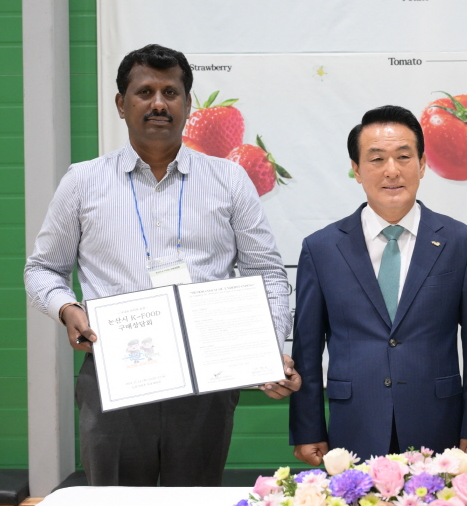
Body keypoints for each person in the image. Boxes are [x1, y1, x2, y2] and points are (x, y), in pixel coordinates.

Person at [24, 44, 301, 486]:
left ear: (187, 104)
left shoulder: (229, 179)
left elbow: (266, 271)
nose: (158, 103)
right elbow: (42, 269)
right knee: (114, 499)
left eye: (170, 92)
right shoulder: (83, 181)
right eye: (145, 92)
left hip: (207, 379)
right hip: (114, 373)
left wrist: (268, 348)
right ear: (121, 104)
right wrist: (66, 308)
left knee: (193, 496)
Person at [289, 105, 467, 464]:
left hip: (438, 424)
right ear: (356, 169)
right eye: (376, 159)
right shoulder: (321, 249)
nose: (392, 171)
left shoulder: (462, 243)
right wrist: (308, 429)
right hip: (354, 424)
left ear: (422, 164)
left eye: (403, 156)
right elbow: (307, 349)